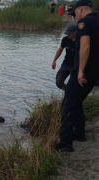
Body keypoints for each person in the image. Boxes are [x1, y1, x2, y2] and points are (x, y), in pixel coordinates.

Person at [55, 0, 99, 152]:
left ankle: (66, 142)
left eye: (76, 13)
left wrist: (80, 70)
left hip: (83, 72)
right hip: (94, 71)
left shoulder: (84, 23)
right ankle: (79, 134)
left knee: (67, 105)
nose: (76, 16)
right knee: (76, 102)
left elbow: (85, 46)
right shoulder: (97, 21)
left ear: (80, 9)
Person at [52, 24, 77, 90]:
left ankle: (72, 95)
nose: (68, 35)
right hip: (66, 63)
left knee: (73, 83)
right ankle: (69, 92)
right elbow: (60, 49)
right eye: (67, 33)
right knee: (58, 82)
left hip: (76, 65)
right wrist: (54, 61)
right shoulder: (65, 39)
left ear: (75, 32)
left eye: (70, 33)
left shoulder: (81, 40)